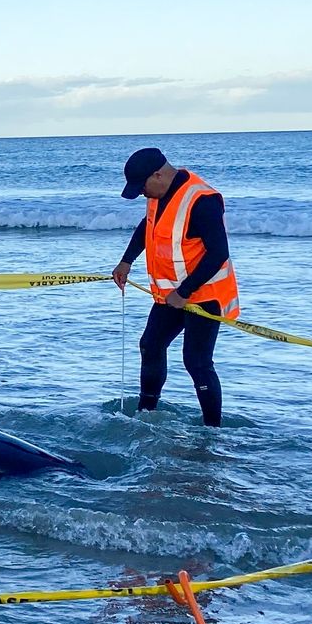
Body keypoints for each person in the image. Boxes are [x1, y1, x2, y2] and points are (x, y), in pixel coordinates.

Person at [110, 147, 240, 427]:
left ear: (158, 174)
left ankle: (212, 430)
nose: (142, 193)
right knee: (150, 345)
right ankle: (146, 414)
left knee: (196, 361)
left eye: (142, 186)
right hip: (170, 294)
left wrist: (184, 292)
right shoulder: (158, 194)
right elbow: (147, 226)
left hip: (204, 294)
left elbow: (219, 253)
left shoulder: (202, 199)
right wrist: (126, 261)